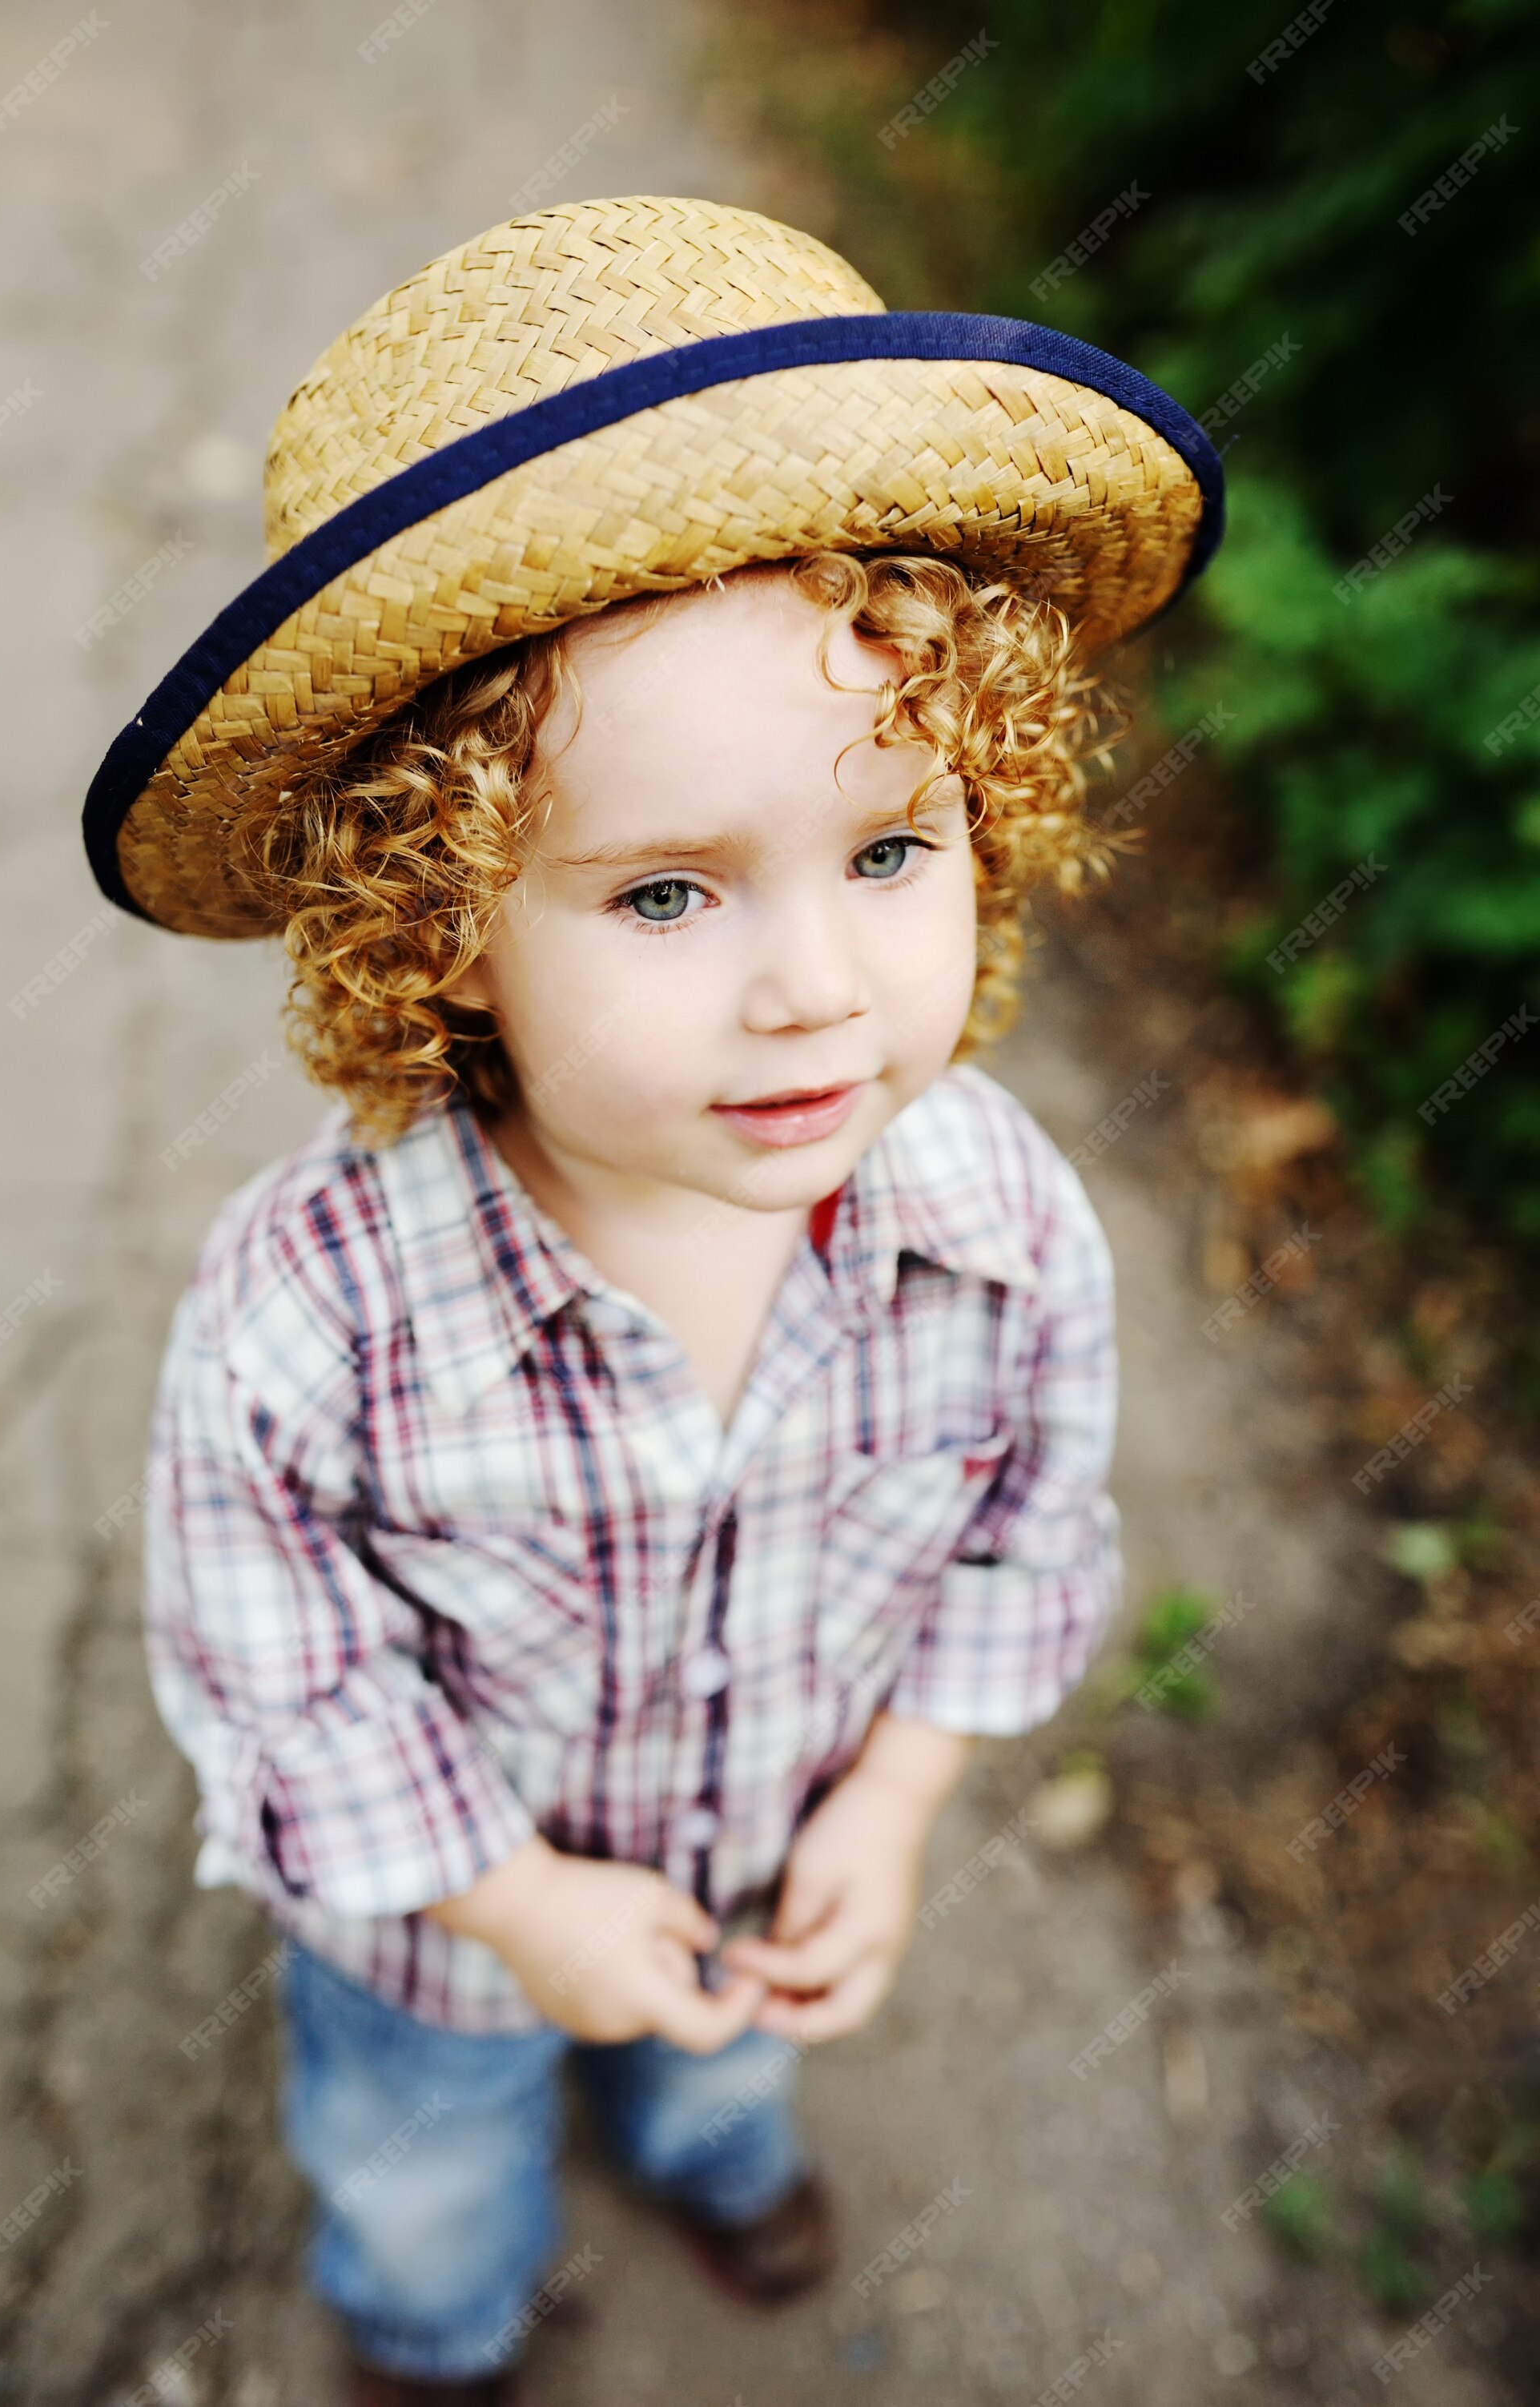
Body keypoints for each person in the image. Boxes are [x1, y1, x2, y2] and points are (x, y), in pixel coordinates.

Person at [82, 195, 1221, 2404]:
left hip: (776, 1854)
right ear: (440, 929)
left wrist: (887, 1813)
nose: (809, 987)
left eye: (891, 850)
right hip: (444, 1936)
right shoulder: (312, 1316)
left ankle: (707, 2151)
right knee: (423, 2156)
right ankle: (436, 2325)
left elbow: (1020, 1537)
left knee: (729, 2056)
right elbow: (271, 1661)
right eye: (669, 891)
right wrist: (511, 1900)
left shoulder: (994, 1227)